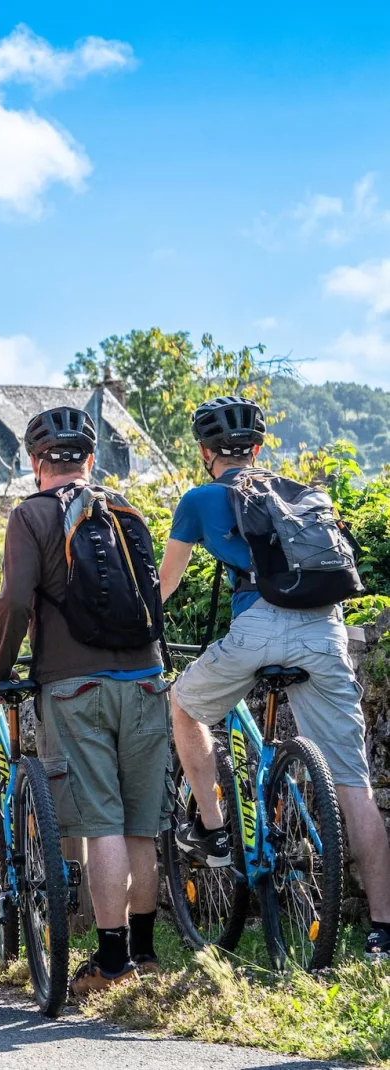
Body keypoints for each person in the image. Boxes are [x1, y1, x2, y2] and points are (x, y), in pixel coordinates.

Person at [161, 396, 390, 962]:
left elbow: (160, 588)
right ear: (259, 449)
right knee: (352, 784)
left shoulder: (200, 499)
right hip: (327, 629)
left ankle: (214, 830)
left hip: (259, 626)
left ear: (205, 453)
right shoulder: (302, 493)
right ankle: (385, 930)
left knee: (186, 706)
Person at [0, 407, 171, 996]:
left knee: (100, 824)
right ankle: (145, 953)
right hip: (148, 678)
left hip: (75, 685)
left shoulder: (31, 516)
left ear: (34, 462)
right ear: (90, 460)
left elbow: (16, 602)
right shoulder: (126, 510)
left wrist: (0, 669)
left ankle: (111, 960)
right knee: (141, 825)